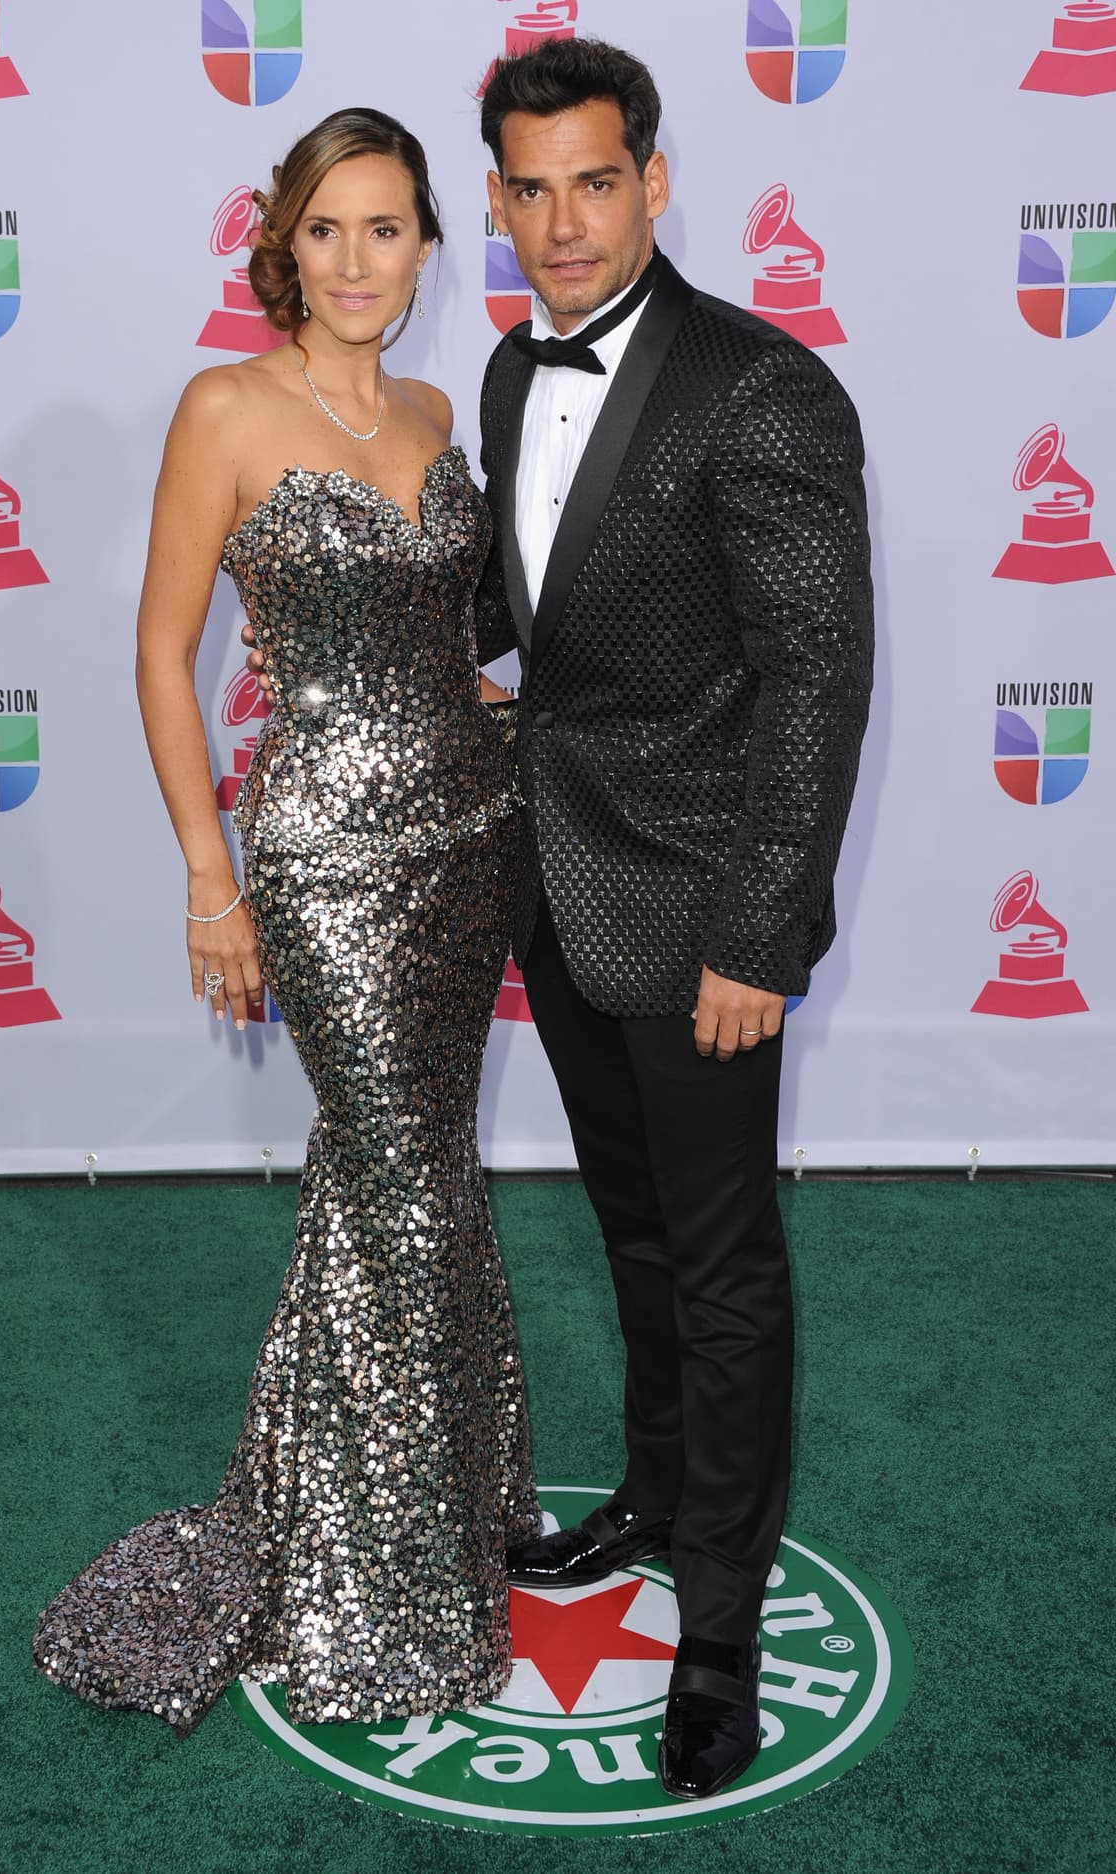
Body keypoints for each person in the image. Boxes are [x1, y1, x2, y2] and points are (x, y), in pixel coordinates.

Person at [32, 108, 540, 1736]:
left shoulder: (439, 407)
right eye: (326, 229)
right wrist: (209, 873)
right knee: (397, 1168)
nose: (356, 261)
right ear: (283, 242)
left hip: (472, 837)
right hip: (323, 854)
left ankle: (434, 1516)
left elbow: (438, 638)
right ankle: (376, 1586)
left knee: (417, 1168)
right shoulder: (227, 406)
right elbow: (161, 649)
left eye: (386, 228)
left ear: (427, 244)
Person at [473, 39, 874, 1800]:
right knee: (632, 1234)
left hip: (706, 914)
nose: (565, 223)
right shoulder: (503, 369)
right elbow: (538, 626)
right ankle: (650, 1492)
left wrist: (759, 934)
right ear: (498, 201)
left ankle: (716, 1632)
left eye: (596, 181)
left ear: (655, 178)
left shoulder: (764, 388)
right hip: (557, 893)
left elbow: (814, 684)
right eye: (533, 189)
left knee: (723, 1269)